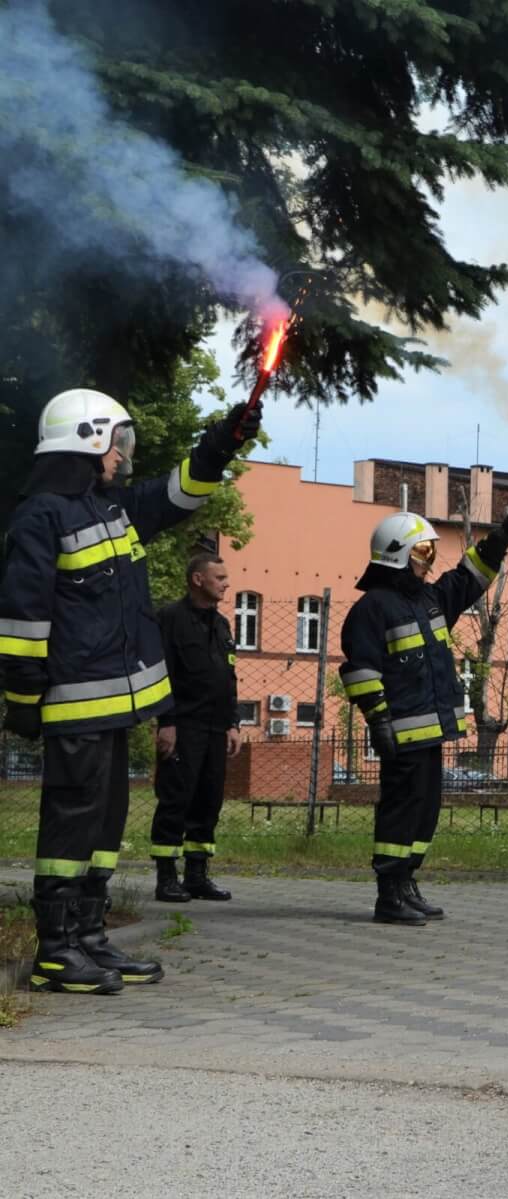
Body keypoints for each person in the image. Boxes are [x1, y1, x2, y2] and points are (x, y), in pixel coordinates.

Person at [1, 388, 257, 994]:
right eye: (119, 443)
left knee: (105, 825)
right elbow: (21, 615)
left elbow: (180, 492)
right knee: (70, 827)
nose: (123, 456)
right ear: (88, 439)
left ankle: (89, 937)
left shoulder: (111, 509)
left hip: (117, 709)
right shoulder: (42, 516)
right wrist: (23, 698)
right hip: (74, 705)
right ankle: (56, 950)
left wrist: (225, 439)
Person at [338, 508, 508, 925]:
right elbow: (360, 670)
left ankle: (407, 883)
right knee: (400, 811)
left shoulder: (428, 599)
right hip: (401, 733)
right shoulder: (373, 608)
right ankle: (388, 895)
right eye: (422, 550)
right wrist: (379, 720)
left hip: (432, 731)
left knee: (425, 812)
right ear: (397, 554)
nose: (429, 559)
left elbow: (466, 580)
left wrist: (500, 538)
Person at [150, 552, 242, 903]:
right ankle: (166, 877)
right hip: (183, 724)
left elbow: (228, 677)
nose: (226, 583)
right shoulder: (171, 619)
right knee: (176, 798)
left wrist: (233, 723)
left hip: (216, 728)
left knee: (208, 800)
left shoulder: (221, 625)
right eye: (219, 578)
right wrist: (167, 722)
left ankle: (197, 873)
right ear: (197, 580)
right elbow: (162, 674)